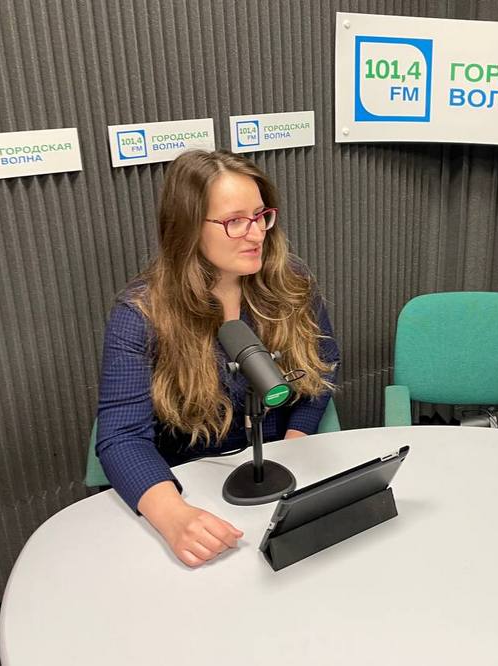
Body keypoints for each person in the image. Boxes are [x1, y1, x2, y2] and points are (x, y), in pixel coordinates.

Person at [96, 150, 339, 566]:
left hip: (280, 476)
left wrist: (295, 441)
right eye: (235, 221)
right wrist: (175, 518)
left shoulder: (291, 284)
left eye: (261, 216)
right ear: (188, 228)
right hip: (196, 491)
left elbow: (321, 364)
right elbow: (121, 438)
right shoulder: (140, 315)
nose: (256, 234)